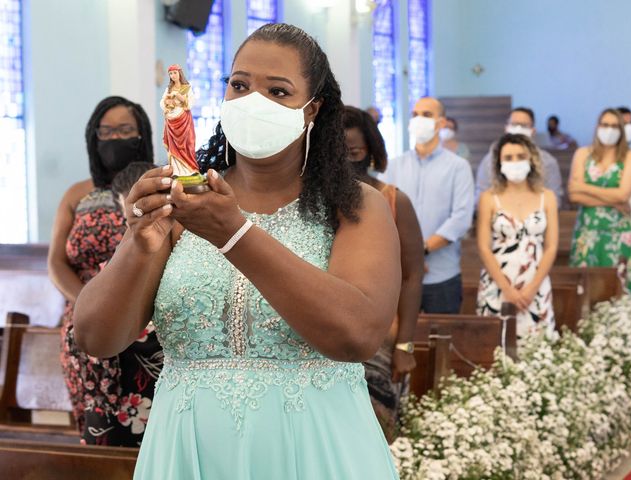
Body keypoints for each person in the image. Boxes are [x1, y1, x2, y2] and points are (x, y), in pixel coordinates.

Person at [74, 23, 401, 479]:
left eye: (278, 91)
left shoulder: (355, 205)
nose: (253, 102)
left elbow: (357, 335)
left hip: (312, 447)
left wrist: (234, 234)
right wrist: (139, 242)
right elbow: (95, 337)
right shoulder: (183, 203)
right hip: (191, 449)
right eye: (240, 85)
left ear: (313, 110)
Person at [48, 96, 154, 439]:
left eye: (125, 130)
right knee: (97, 435)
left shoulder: (158, 185)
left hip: (145, 323)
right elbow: (56, 261)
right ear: (93, 139)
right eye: (106, 132)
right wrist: (90, 302)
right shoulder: (76, 195)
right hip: (85, 324)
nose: (114, 139)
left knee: (144, 432)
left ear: (141, 135)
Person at [344, 106, 422, 441]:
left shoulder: (392, 200)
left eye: (355, 152)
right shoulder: (311, 199)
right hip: (319, 332)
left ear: (370, 150)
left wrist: (405, 344)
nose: (348, 159)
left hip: (378, 334)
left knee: (372, 433)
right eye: (338, 150)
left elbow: (412, 275)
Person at [72, 161, 163, 447]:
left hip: (162, 400)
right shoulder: (116, 265)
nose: (139, 224)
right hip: (113, 404)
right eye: (130, 219)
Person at [380, 96, 474, 314]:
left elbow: (460, 218)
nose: (419, 119)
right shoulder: (393, 166)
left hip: (442, 275)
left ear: (441, 123)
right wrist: (407, 256)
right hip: (399, 274)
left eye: (427, 115)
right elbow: (383, 214)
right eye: (415, 115)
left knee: (439, 341)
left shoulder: (458, 167)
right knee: (396, 344)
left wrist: (420, 251)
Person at [476, 134, 558, 337]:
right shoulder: (489, 198)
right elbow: (484, 247)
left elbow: (551, 247)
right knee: (496, 345)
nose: (515, 162)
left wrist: (532, 288)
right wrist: (507, 289)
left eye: (520, 156)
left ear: (531, 159)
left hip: (535, 281)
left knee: (537, 347)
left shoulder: (546, 197)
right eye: (509, 158)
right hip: (498, 282)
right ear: (499, 163)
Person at [568, 108, 631, 292]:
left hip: (619, 231)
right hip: (587, 231)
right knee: (585, 288)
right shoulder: (583, 154)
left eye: (615, 126)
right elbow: (573, 194)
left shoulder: (630, 157)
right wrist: (613, 200)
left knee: (621, 287)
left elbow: (623, 194)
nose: (609, 130)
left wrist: (584, 187)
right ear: (597, 126)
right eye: (605, 125)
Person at [475, 107, 564, 206]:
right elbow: (480, 199)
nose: (518, 129)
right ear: (506, 128)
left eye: (523, 125)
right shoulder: (490, 160)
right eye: (514, 124)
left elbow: (555, 201)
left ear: (533, 130)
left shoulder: (548, 162)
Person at [160, 64, 198, 177]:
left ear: (179, 73)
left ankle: (191, 170)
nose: (173, 76)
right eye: (170, 74)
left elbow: (191, 102)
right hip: (172, 119)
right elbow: (162, 102)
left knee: (188, 144)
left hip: (184, 119)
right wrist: (167, 102)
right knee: (174, 146)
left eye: (174, 73)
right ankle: (176, 171)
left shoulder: (187, 87)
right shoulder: (168, 89)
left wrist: (180, 97)